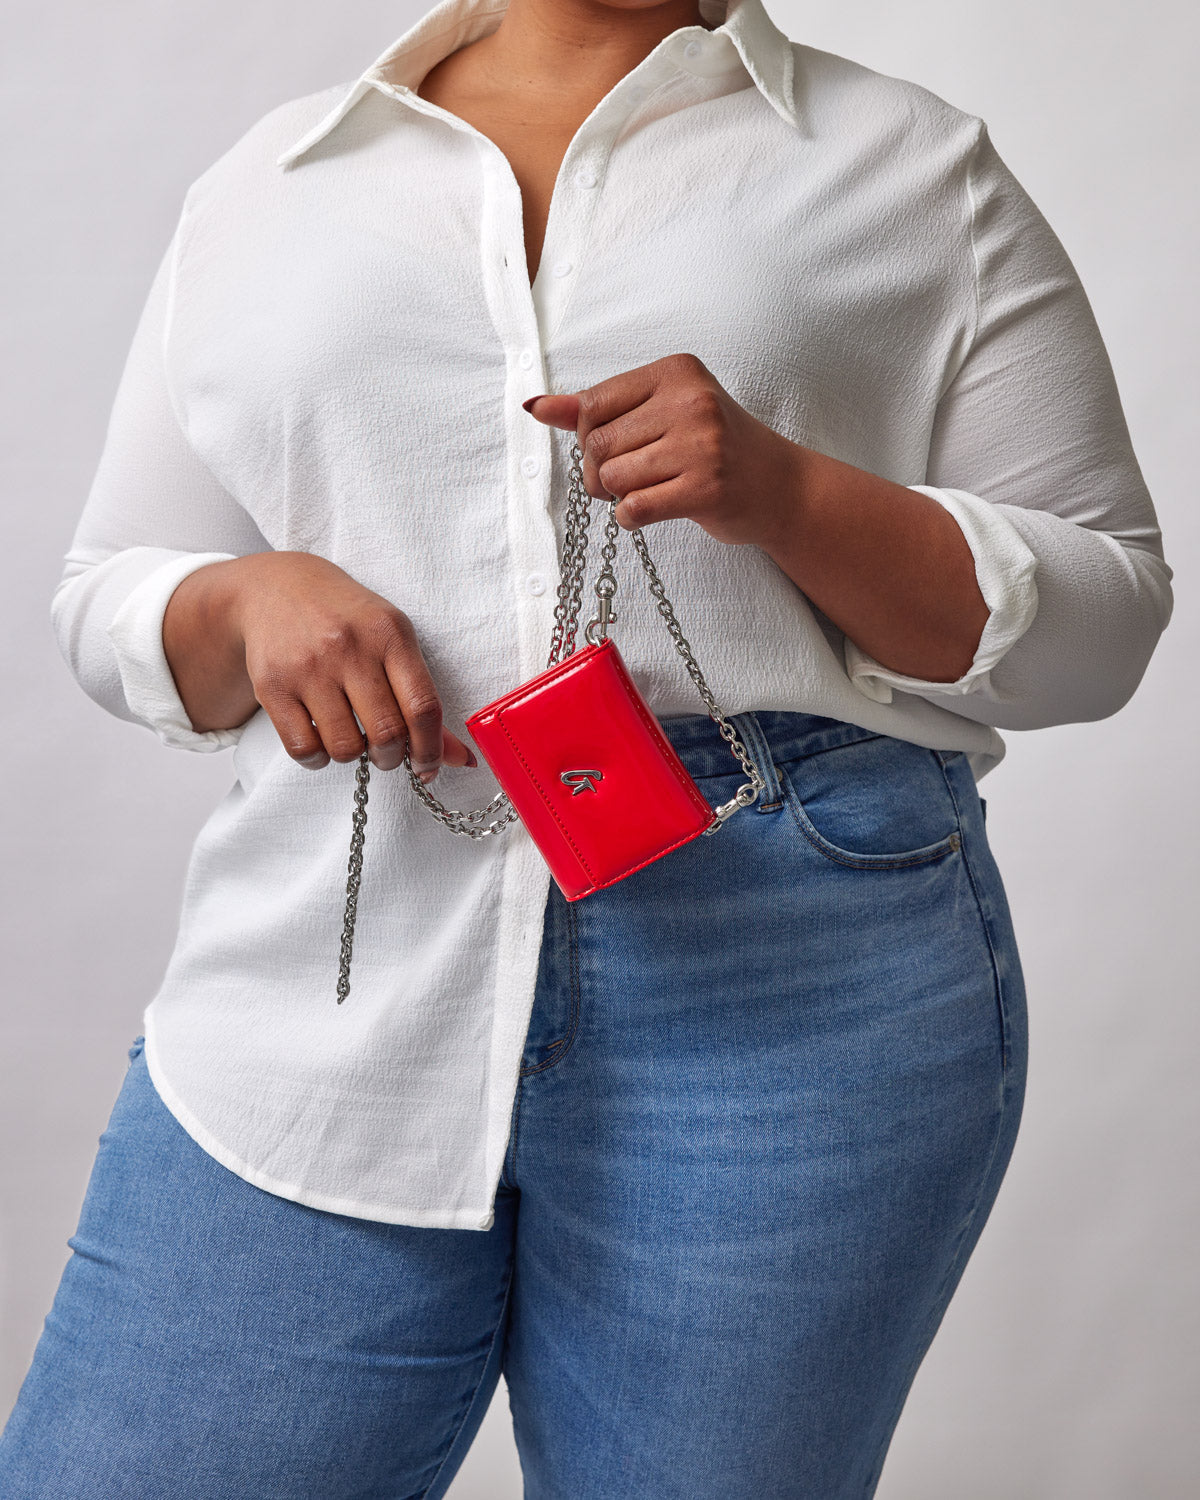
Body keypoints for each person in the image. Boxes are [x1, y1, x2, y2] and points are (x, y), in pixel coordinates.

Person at [0, 0, 1174, 1494]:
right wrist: (235, 604)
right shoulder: (273, 179)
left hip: (798, 984)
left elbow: (1108, 619)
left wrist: (794, 497)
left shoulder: (909, 166)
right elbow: (108, 586)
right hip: (331, 966)